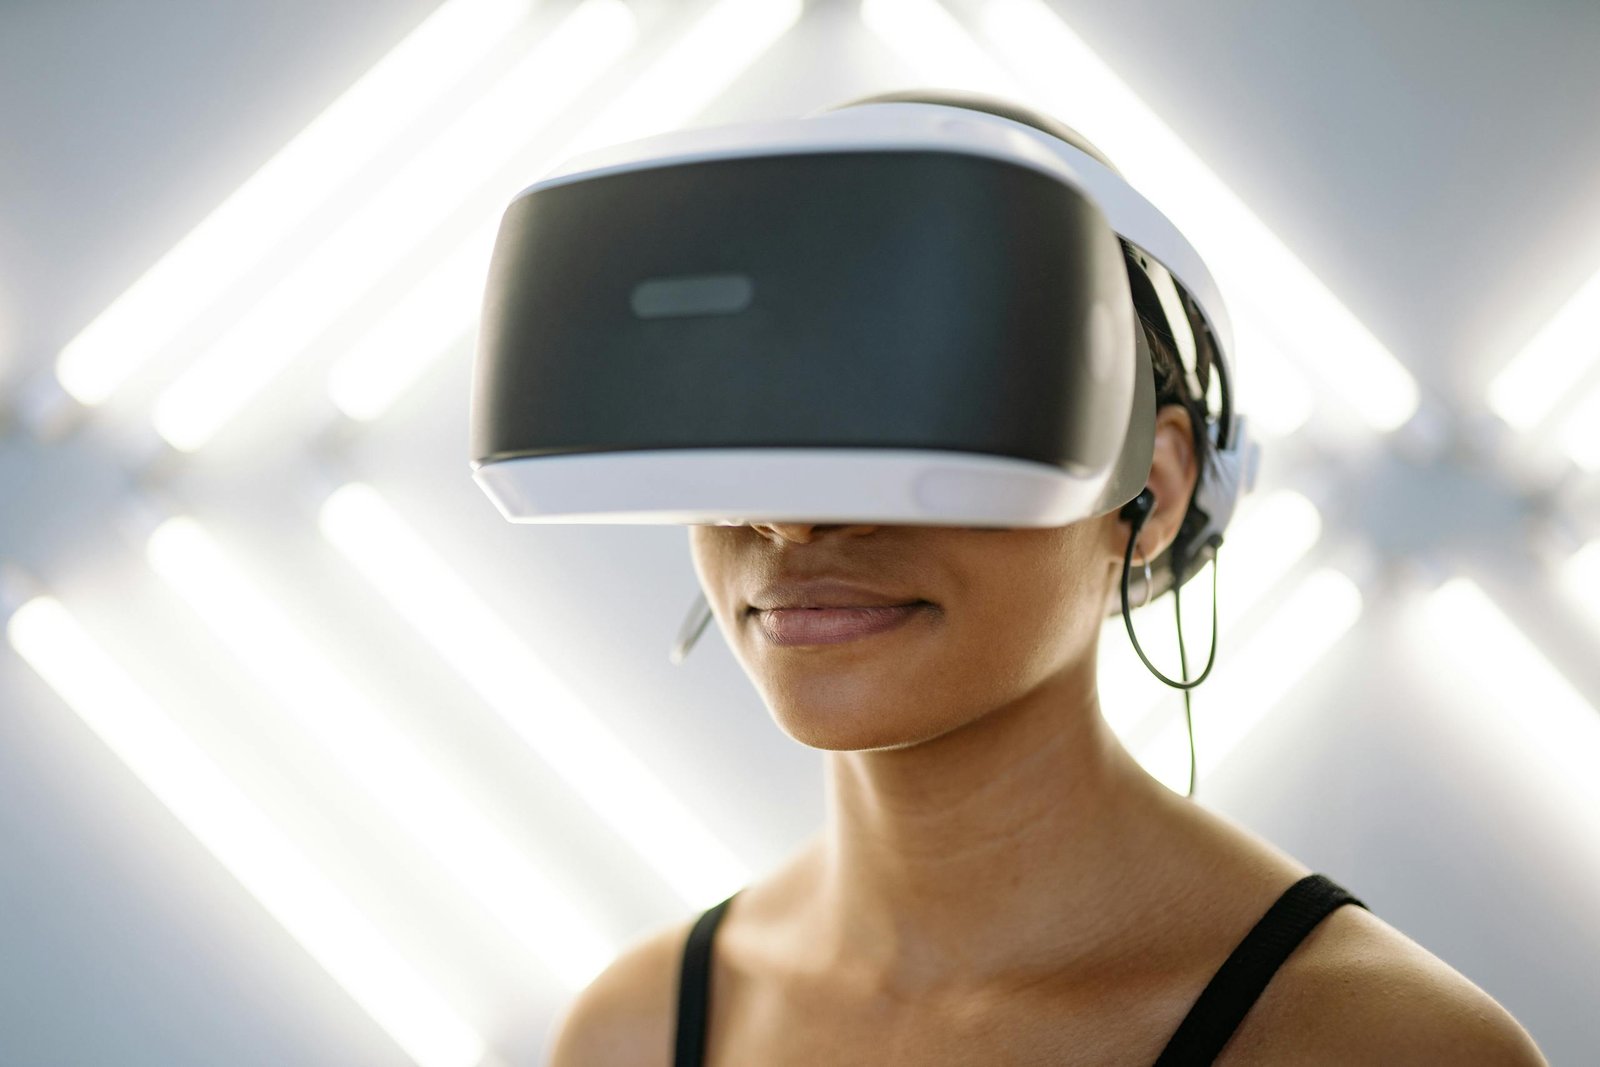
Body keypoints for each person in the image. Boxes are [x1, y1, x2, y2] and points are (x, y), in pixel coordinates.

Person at [540, 94, 1549, 1066]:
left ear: (1150, 491)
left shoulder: (1381, 1045)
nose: (791, 517)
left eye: (916, 415)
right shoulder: (629, 1030)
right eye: (746, 420)